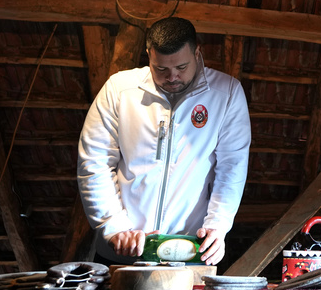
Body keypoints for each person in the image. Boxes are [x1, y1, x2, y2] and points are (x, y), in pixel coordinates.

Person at [77, 17, 251, 265]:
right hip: (124, 249)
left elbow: (232, 168)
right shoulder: (119, 90)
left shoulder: (227, 93)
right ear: (148, 55)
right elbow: (94, 162)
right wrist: (113, 226)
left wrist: (218, 226)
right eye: (161, 69)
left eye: (181, 67)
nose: (172, 76)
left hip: (188, 252)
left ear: (197, 52)